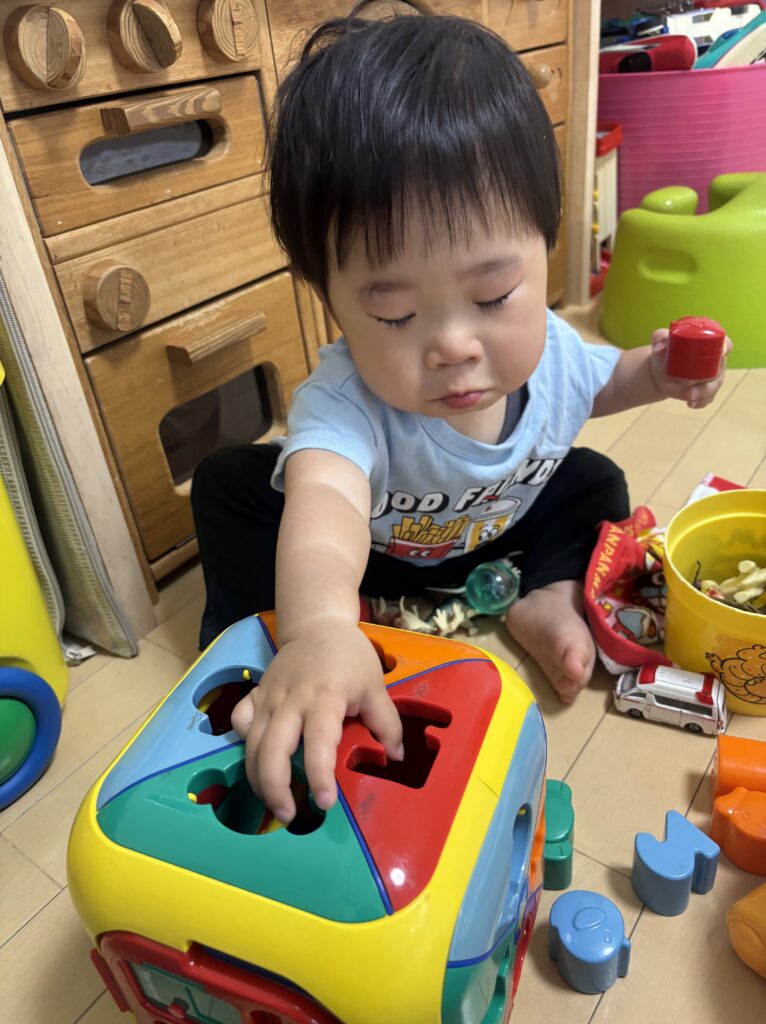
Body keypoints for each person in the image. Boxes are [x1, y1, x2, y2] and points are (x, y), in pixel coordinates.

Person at [191, 1, 731, 824]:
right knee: (230, 486)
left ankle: (542, 594)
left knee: (594, 480)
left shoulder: (555, 353)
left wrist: (657, 372)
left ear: (545, 246)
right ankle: (267, 648)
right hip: (373, 562)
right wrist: (319, 625)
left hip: (495, 530)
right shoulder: (345, 403)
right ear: (329, 298)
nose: (452, 345)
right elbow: (326, 506)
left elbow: (604, 385)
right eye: (395, 315)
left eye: (492, 295)